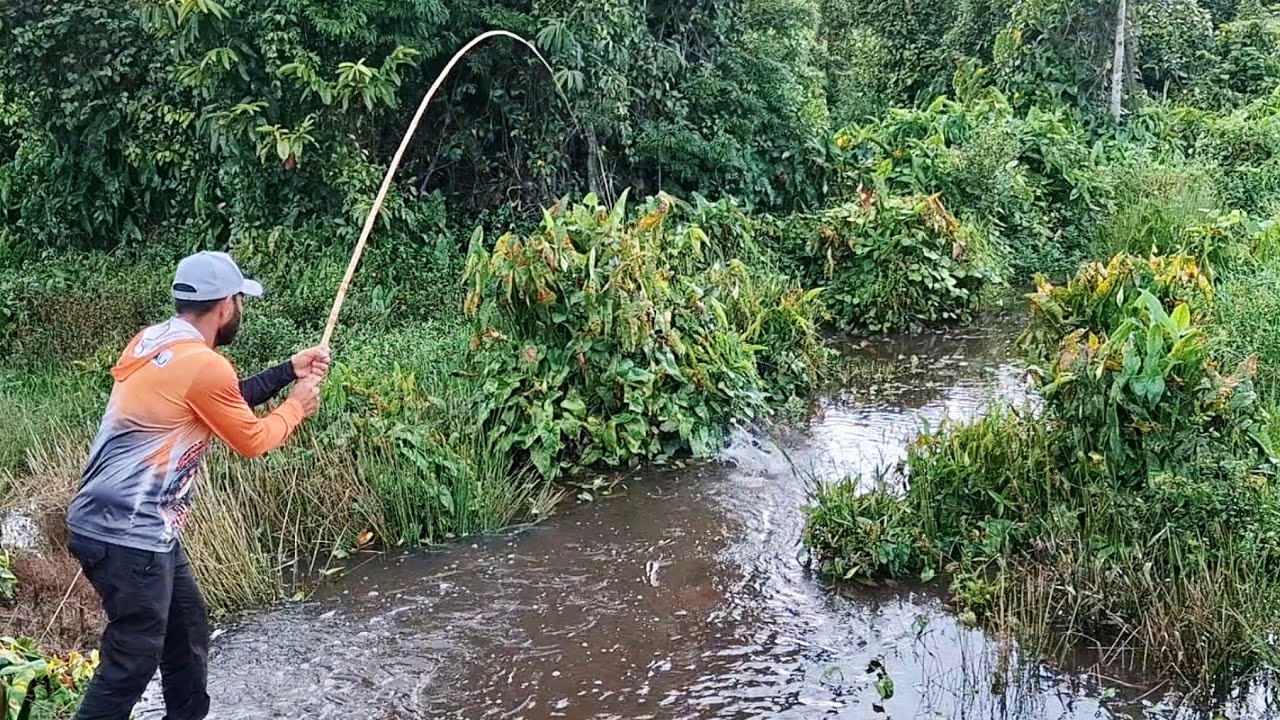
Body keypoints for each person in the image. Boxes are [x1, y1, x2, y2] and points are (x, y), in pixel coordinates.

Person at [64, 251, 330, 720]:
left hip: (127, 526)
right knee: (133, 658)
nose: (239, 311)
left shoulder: (151, 341)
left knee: (186, 630)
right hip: (129, 532)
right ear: (226, 305)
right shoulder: (206, 366)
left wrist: (289, 369)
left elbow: (216, 401)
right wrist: (297, 407)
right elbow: (251, 439)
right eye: (239, 301)